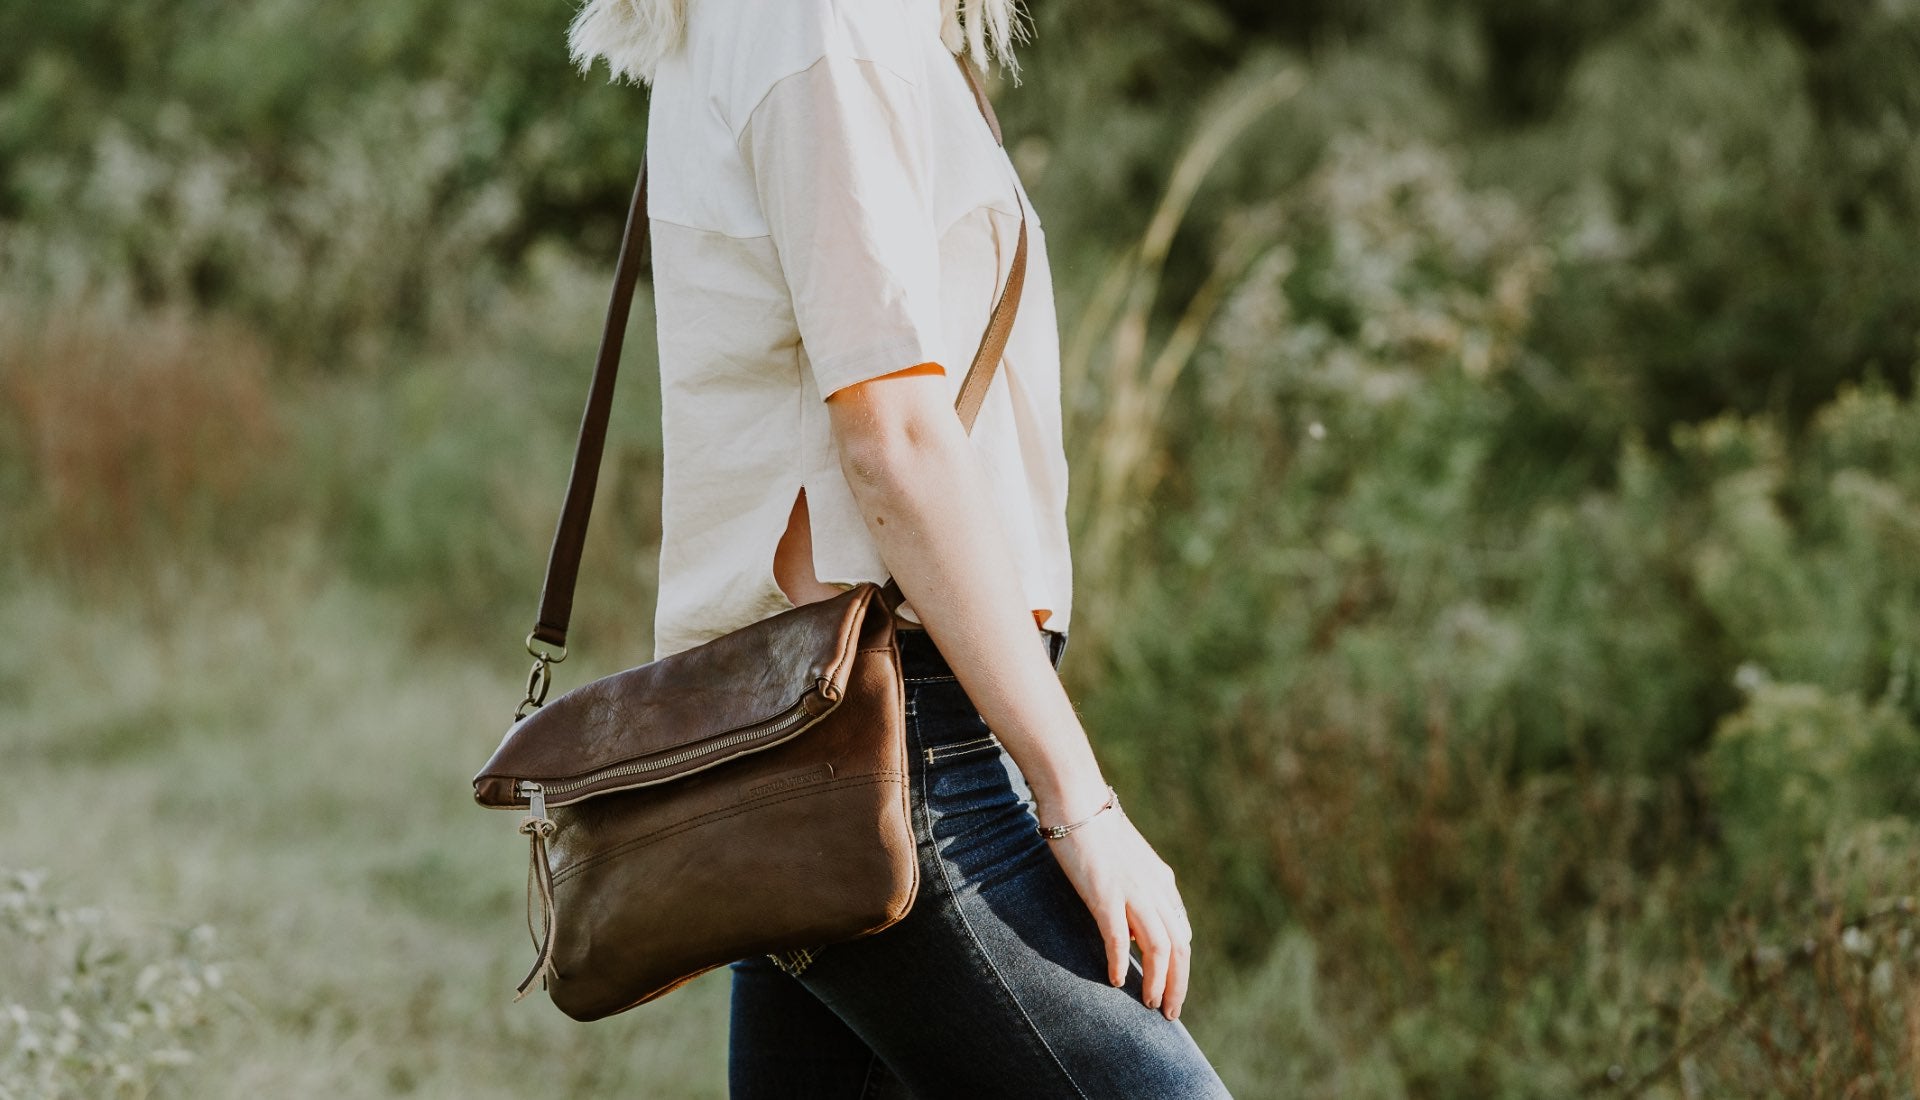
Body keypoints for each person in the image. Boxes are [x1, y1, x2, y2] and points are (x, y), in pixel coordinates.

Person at [568, 0, 1234, 1094]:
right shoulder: (817, 21)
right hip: (886, 740)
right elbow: (891, 429)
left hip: (828, 722)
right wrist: (1080, 798)